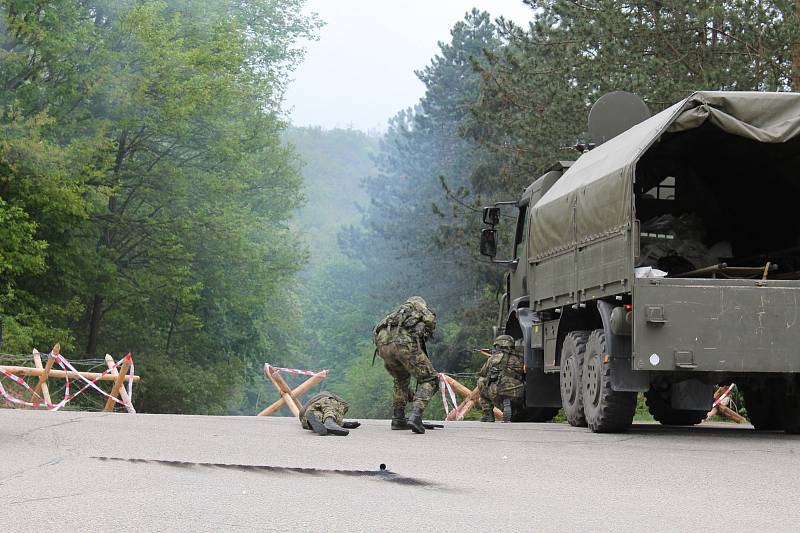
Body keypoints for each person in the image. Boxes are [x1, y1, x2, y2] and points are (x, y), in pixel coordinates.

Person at [373, 296, 438, 434]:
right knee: (430, 379)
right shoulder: (418, 306)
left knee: (401, 379)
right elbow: (430, 320)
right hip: (403, 343)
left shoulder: (394, 315)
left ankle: (398, 418)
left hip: (383, 347)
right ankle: (416, 416)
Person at [477, 335, 524, 423]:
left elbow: (483, 373)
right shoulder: (520, 358)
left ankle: (488, 415)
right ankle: (509, 405)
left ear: (498, 345)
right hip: (518, 391)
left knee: (481, 382)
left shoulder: (494, 358)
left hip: (498, 389)